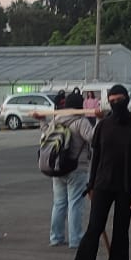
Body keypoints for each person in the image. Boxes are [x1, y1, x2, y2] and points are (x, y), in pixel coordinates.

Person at [68, 85, 131, 260]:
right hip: (103, 184)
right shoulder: (103, 126)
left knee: (121, 232)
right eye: (112, 100)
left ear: (127, 99)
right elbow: (95, 158)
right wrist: (91, 185)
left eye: (119, 99)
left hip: (127, 186)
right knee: (94, 229)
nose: (116, 103)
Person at [46, 91, 95, 248]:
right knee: (75, 203)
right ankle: (76, 239)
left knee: (59, 203)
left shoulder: (56, 120)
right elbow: (93, 138)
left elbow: (45, 134)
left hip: (57, 167)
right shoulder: (81, 122)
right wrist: (100, 120)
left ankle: (56, 237)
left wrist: (41, 121)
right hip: (77, 167)